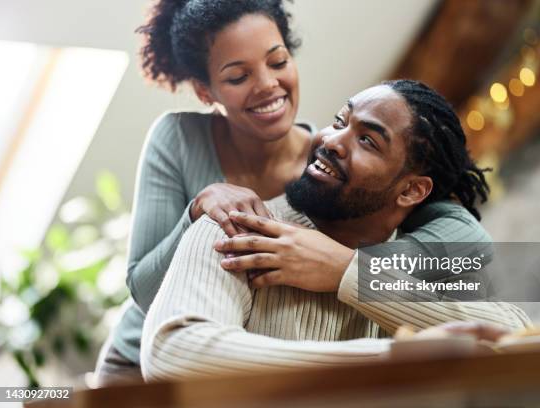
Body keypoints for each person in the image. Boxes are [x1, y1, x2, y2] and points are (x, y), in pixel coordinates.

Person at [94, 0, 508, 385]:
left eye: (278, 61)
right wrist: (196, 212)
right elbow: (157, 312)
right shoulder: (201, 186)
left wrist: (342, 267)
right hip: (139, 355)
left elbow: (477, 252)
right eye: (238, 76)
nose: (267, 85)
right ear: (206, 93)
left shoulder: (339, 172)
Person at [140, 80, 531, 381]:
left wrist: (349, 272)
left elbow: (516, 337)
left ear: (412, 190)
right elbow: (172, 353)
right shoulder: (236, 227)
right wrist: (391, 360)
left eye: (366, 140)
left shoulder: (424, 259)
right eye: (340, 122)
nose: (330, 141)